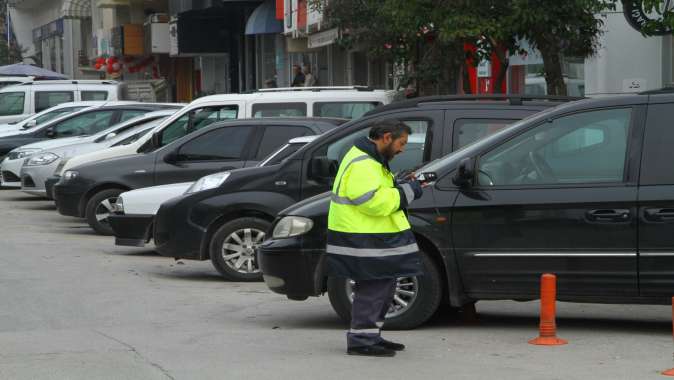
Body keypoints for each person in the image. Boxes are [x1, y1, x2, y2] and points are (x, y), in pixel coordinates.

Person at [326, 119, 424, 357]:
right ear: (387, 137)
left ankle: (371, 336)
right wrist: (409, 191)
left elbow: (374, 194)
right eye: (401, 143)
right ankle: (361, 340)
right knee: (373, 289)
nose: (402, 149)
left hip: (369, 237)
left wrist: (400, 184)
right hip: (364, 238)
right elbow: (373, 202)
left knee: (384, 286)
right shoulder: (364, 163)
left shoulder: (370, 159)